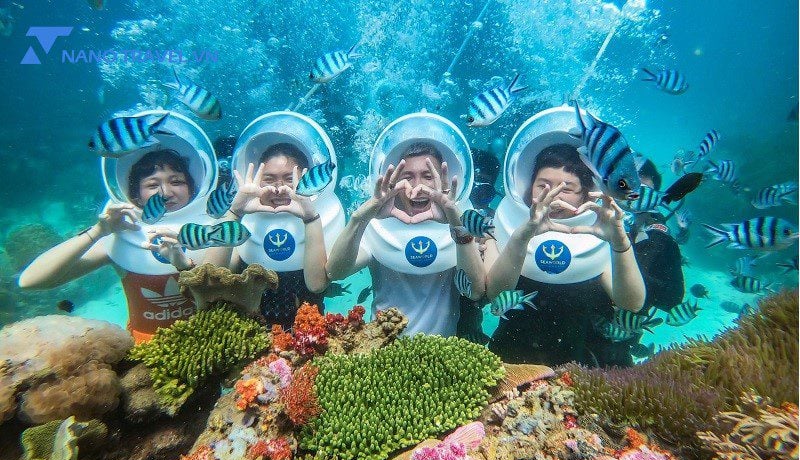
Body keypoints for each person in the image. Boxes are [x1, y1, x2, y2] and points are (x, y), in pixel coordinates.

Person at [485, 142, 646, 367]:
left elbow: (632, 303)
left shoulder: (601, 234)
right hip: (514, 358)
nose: (553, 196)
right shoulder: (504, 225)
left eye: (567, 188)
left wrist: (619, 243)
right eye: (543, 185)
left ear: (586, 194)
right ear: (528, 186)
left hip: (587, 363)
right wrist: (521, 238)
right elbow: (496, 294)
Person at [19, 148, 199, 344]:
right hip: (143, 349)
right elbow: (31, 280)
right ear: (136, 195)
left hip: (208, 338)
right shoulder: (122, 238)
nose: (166, 192)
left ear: (192, 188)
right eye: (152, 185)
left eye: (177, 182)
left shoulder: (209, 233)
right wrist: (98, 232)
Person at [327, 138, 485, 337]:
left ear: (442, 179)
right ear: (395, 180)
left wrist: (456, 224)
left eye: (428, 176)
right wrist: (361, 217)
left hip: (444, 352)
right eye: (408, 176)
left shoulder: (462, 219)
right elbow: (335, 272)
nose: (418, 187)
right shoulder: (377, 224)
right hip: (383, 347)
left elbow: (476, 290)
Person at [201, 142, 329, 327]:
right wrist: (235, 212)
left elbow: (317, 285)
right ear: (256, 181)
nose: (279, 188)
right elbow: (209, 278)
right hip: (250, 334)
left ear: (306, 179)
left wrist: (310, 219)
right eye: (269, 179)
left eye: (289, 178)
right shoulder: (245, 223)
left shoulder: (321, 218)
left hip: (308, 333)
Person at [627, 158, 685, 311]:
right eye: (627, 187)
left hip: (622, 325)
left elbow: (672, 298)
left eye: (644, 191)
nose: (636, 198)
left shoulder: (660, 237)